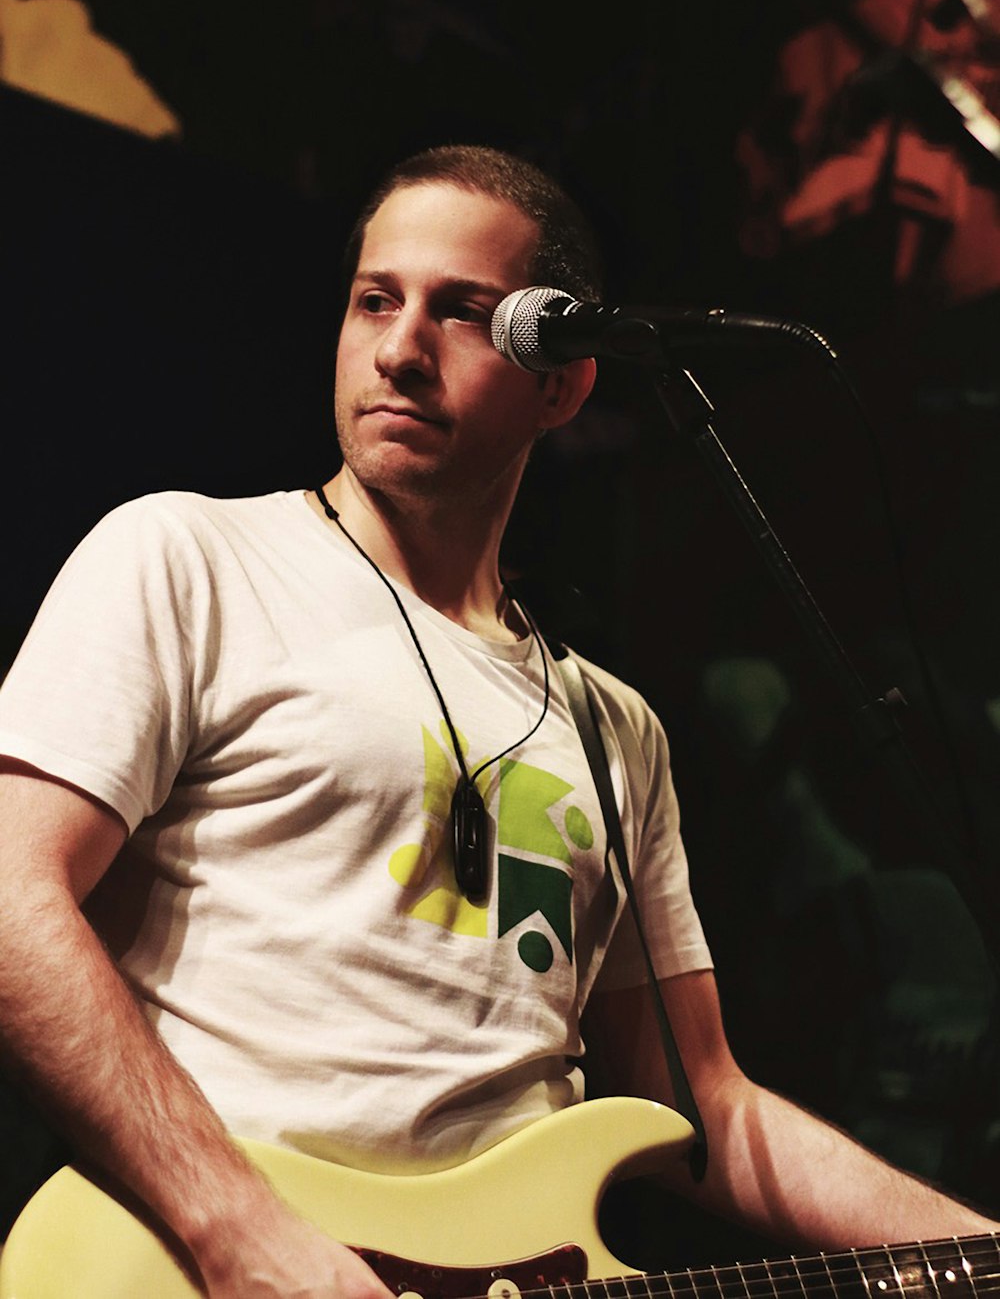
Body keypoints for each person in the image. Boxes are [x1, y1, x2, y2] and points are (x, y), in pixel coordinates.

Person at [0, 145, 992, 1299]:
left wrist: (975, 1246)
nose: (398, 349)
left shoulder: (610, 725)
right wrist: (237, 1232)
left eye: (463, 313)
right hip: (199, 1263)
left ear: (561, 382)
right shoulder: (192, 560)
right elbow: (15, 895)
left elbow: (700, 1100)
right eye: (376, 299)